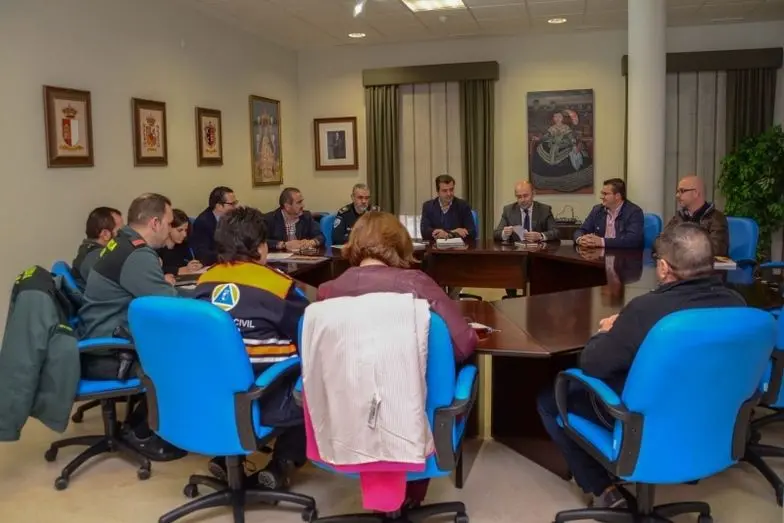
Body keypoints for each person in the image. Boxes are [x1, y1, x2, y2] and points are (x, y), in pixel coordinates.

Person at [537, 223, 745, 509]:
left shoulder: (646, 310)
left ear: (663, 268)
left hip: (643, 419)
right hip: (706, 414)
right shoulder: (737, 304)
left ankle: (603, 489)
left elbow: (593, 364)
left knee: (549, 401)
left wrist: (608, 331)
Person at [317, 211, 477, 509]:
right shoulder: (417, 285)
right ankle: (411, 495)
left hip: (347, 421)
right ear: (399, 244)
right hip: (410, 421)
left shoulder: (327, 292)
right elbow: (462, 345)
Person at [192, 206, 309, 489]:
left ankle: (227, 457)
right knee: (313, 377)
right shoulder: (278, 287)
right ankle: (282, 463)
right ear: (259, 247)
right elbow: (309, 335)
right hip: (265, 398)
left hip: (212, 394)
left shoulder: (204, 282)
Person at [78, 193, 183, 461]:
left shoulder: (121, 243)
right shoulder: (137, 254)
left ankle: (140, 425)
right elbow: (169, 304)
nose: (170, 230)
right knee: (180, 357)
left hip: (99, 337)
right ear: (155, 223)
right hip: (109, 352)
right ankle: (141, 433)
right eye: (169, 223)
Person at [494, 181, 558, 297]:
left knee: (542, 273)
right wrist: (505, 233)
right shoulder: (509, 210)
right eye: (519, 197)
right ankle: (512, 298)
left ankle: (537, 299)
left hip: (538, 255)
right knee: (508, 266)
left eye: (525, 196)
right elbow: (496, 233)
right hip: (516, 256)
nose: (522, 200)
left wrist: (540, 236)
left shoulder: (544, 210)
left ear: (533, 194)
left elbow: (555, 232)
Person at [663, 175, 729, 257]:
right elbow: (661, 241)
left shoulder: (717, 218)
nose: (677, 195)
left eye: (682, 191)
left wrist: (680, 247)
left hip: (705, 264)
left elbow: (717, 249)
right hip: (681, 262)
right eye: (677, 191)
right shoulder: (679, 216)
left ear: (696, 193)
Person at [574, 178, 644, 249]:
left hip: (624, 254)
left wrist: (601, 241)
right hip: (600, 253)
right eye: (602, 193)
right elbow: (581, 230)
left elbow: (633, 240)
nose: (601, 197)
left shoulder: (634, 212)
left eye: (605, 194)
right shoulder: (597, 210)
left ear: (617, 196)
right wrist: (580, 239)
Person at [71, 207, 123, 288]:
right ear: (105, 234)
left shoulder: (86, 251)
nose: (125, 235)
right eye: (121, 231)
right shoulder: (97, 260)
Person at [190, 186, 239, 265]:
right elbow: (203, 254)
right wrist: (228, 256)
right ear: (219, 206)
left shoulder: (232, 217)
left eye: (235, 203)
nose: (235, 207)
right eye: (232, 204)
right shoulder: (203, 223)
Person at [420, 174, 476, 241]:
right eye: (445, 191)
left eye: (451, 190)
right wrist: (453, 232)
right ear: (438, 192)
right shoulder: (428, 206)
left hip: (457, 247)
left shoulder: (463, 206)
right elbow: (425, 232)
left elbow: (472, 233)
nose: (449, 194)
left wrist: (448, 234)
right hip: (435, 246)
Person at [156, 209, 203, 277]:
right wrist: (178, 270)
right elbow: (154, 270)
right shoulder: (157, 248)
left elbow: (199, 255)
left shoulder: (183, 245)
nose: (184, 234)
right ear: (168, 227)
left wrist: (197, 264)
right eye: (179, 230)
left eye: (186, 230)